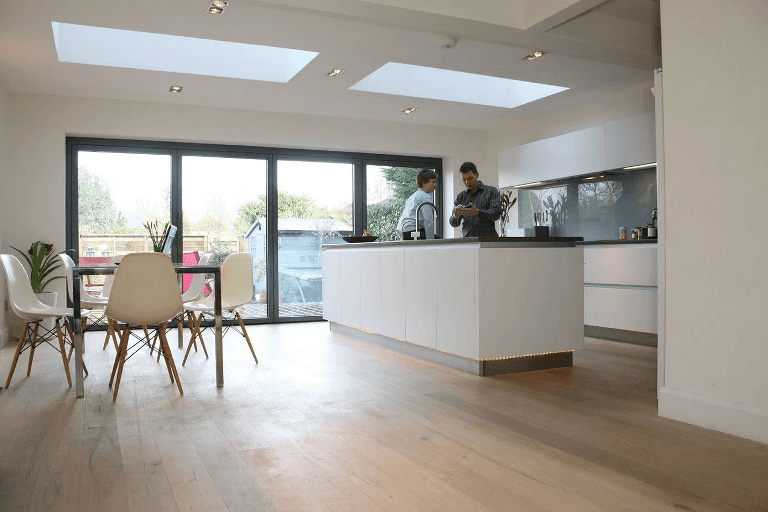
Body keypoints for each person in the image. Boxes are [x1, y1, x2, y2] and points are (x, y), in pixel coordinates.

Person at [449, 161, 502, 237]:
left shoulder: (491, 191)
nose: (467, 182)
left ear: (477, 175)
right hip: (468, 241)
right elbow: (454, 223)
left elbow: (496, 214)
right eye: (464, 179)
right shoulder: (461, 196)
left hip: (488, 240)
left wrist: (477, 212)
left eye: (470, 178)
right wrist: (455, 215)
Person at [396, 169, 438, 240]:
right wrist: (431, 241)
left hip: (403, 230)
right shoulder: (424, 197)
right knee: (439, 245)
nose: (436, 185)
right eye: (433, 182)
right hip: (413, 230)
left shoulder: (414, 196)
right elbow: (428, 221)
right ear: (424, 183)